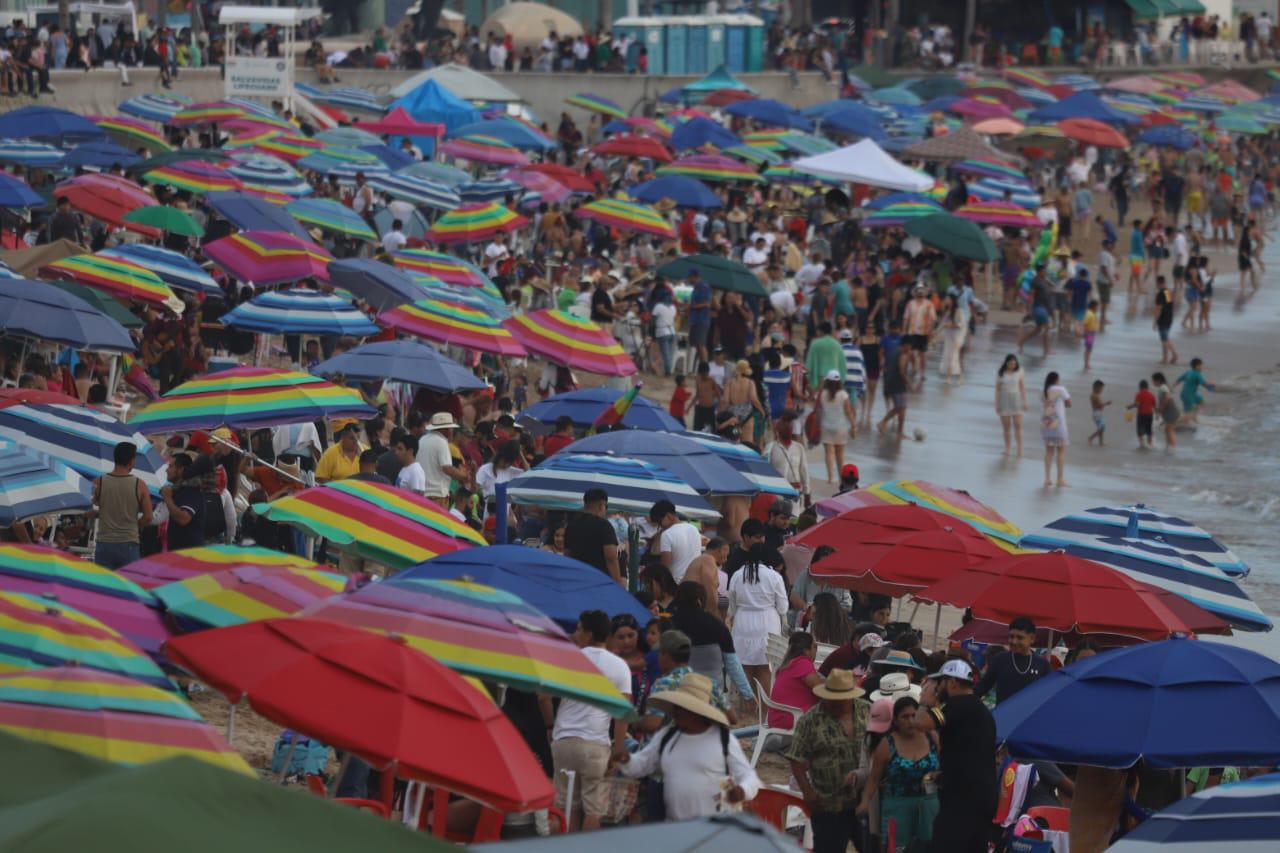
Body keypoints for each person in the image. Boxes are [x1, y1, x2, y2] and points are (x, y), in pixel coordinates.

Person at [616, 671, 760, 819]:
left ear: (697, 713)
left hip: (715, 827)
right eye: (676, 707)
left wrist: (742, 790)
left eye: (682, 709)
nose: (676, 712)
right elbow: (641, 765)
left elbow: (749, 776)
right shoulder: (667, 736)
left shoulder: (723, 740)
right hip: (676, 827)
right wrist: (625, 760)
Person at [546, 610, 631, 832]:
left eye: (579, 629)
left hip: (564, 741)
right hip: (596, 745)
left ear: (590, 634)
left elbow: (544, 696)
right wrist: (618, 750)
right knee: (594, 809)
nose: (575, 634)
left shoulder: (567, 659)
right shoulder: (620, 666)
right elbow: (622, 714)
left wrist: (549, 726)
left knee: (566, 807)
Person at [917, 660, 998, 853]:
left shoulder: (957, 704)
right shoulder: (979, 708)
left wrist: (925, 701)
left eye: (940, 683)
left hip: (963, 798)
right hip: (982, 796)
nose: (937, 687)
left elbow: (921, 724)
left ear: (952, 682)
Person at [786, 670, 869, 853]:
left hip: (864, 801)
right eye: (833, 698)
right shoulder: (811, 720)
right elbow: (796, 759)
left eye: (842, 699)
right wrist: (807, 792)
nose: (837, 703)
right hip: (828, 804)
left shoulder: (866, 710)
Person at [857, 696, 941, 851]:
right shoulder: (886, 744)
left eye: (913, 716)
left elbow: (945, 765)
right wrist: (864, 802)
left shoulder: (932, 737)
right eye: (905, 717)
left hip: (928, 807)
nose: (910, 721)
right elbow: (874, 778)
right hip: (897, 808)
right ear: (895, 720)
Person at [726, 544, 788, 696]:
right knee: (765, 670)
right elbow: (783, 608)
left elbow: (731, 607)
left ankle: (745, 711)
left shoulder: (737, 575)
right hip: (768, 624)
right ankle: (763, 711)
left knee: (744, 669)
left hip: (743, 624)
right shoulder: (774, 576)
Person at [92, 442, 154, 569]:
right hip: (129, 543)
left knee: (105, 585)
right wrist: (135, 526)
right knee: (128, 586)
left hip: (105, 542)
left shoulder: (99, 482)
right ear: (131, 461)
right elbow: (148, 517)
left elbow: (90, 509)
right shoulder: (140, 485)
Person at [975, 616, 1052, 703]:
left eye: (1020, 638)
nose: (1014, 641)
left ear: (1032, 638)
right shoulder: (1000, 660)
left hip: (1029, 715)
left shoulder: (1042, 665)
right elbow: (981, 689)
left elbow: (1048, 696)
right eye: (1011, 636)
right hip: (1003, 715)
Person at [566, 488, 622, 585]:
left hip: (576, 578)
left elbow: (567, 553)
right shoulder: (604, 525)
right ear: (601, 506)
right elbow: (611, 557)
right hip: (599, 580)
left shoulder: (571, 525)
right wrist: (618, 584)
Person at [769, 632, 824, 729]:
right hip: (791, 718)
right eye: (815, 647)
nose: (816, 651)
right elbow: (822, 691)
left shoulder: (788, 664)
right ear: (807, 650)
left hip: (778, 716)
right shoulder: (802, 664)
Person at [816, 369, 857, 484]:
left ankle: (830, 478)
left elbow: (819, 411)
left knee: (829, 453)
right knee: (840, 455)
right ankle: (840, 478)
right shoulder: (843, 395)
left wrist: (817, 425)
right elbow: (848, 412)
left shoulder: (823, 394)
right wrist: (853, 425)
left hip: (826, 427)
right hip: (841, 428)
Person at [649, 499, 703, 584]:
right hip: (696, 581)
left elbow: (665, 566)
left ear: (669, 516)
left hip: (677, 583)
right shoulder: (693, 529)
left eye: (659, 522)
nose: (659, 527)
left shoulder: (667, 534)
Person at [419, 412, 467, 505]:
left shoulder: (422, 440)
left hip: (423, 493)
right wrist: (463, 476)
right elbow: (447, 468)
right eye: (451, 428)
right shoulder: (441, 442)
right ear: (446, 429)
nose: (452, 431)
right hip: (437, 496)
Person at [161, 452, 205, 550]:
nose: (167, 470)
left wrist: (168, 498)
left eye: (170, 466)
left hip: (189, 555)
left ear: (181, 469)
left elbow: (184, 519)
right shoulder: (179, 489)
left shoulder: (191, 490)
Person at [682, 537, 730, 618]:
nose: (726, 560)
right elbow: (709, 589)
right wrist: (713, 616)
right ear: (720, 550)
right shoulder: (708, 559)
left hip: (692, 609)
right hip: (695, 611)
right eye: (726, 555)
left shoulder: (702, 559)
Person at [1040, 372, 1070, 487]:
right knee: (1061, 451)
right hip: (1059, 422)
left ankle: (1047, 478)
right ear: (1057, 379)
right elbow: (1069, 403)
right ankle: (1060, 479)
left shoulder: (1044, 391)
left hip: (1046, 421)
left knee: (1049, 451)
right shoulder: (1061, 389)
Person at [995, 354, 1027, 457]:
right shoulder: (1001, 373)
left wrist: (1025, 401)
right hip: (1004, 399)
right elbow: (998, 389)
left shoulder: (1020, 371)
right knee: (1006, 427)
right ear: (1006, 363)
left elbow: (1022, 387)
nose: (1013, 365)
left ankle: (1020, 449)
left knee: (1018, 425)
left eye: (1014, 363)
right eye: (1010, 363)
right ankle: (1007, 449)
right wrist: (996, 403)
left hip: (1016, 399)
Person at [1175, 357, 1215, 424]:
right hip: (1187, 395)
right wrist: (1213, 385)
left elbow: (1179, 380)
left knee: (1201, 402)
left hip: (1191, 394)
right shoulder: (1197, 374)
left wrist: (1172, 387)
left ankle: (1194, 417)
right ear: (1197, 366)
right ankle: (1172, 424)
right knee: (1188, 414)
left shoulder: (1188, 372)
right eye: (1201, 365)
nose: (1202, 367)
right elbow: (1204, 384)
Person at [1152, 371, 1181, 451]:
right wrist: (1159, 409)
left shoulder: (1163, 387)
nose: (1153, 382)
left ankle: (1173, 448)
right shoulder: (1163, 387)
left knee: (1169, 430)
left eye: (1153, 381)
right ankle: (1169, 447)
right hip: (1169, 412)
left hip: (1172, 412)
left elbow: (1167, 398)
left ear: (1158, 380)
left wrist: (1161, 408)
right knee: (1167, 430)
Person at [1154, 275, 1178, 365]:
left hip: (1163, 318)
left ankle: (1172, 355)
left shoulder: (1160, 294)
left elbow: (1158, 308)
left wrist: (1155, 321)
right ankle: (1166, 358)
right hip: (1169, 317)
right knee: (1165, 338)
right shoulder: (1168, 291)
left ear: (1158, 283)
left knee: (1164, 339)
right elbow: (1170, 304)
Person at [1127, 379, 1157, 449]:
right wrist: (1157, 415)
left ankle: (1142, 445)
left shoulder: (1139, 394)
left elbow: (1137, 404)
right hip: (1150, 414)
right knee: (1149, 430)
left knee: (1140, 429)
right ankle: (1150, 444)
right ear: (1147, 387)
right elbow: (1154, 406)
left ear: (1140, 387)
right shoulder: (1151, 395)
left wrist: (1129, 407)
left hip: (1142, 414)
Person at [1088, 380, 1110, 446]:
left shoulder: (1093, 395)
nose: (1102, 390)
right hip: (1097, 414)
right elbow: (1100, 405)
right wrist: (1106, 403)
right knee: (1102, 428)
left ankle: (1101, 442)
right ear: (1096, 388)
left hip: (1096, 413)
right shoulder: (1095, 396)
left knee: (1101, 428)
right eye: (1101, 389)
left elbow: (1098, 405)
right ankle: (1091, 438)